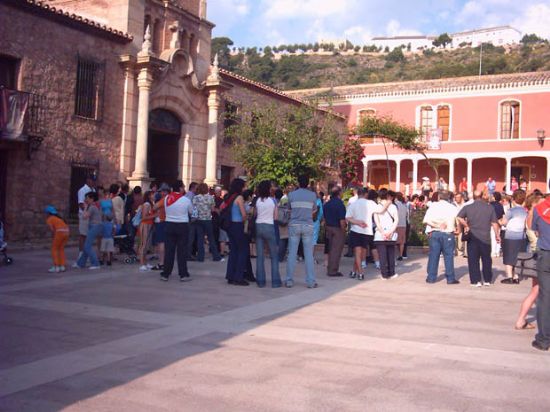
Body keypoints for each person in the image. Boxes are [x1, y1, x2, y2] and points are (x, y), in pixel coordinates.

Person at [457, 190, 500, 287]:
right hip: (485, 237)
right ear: (482, 196)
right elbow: (494, 223)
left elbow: (459, 217)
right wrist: (497, 235)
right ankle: (487, 279)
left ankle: (475, 280)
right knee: (486, 259)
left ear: (473, 197)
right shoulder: (489, 208)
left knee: (473, 259)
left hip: (472, 236)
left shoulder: (468, 207)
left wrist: (466, 224)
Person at [285, 175, 318, 288]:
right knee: (308, 254)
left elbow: (288, 209)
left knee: (292, 254)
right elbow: (315, 209)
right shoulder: (312, 195)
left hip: (294, 225)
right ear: (308, 183)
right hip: (308, 225)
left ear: (298, 183)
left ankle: (289, 280)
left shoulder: (291, 195)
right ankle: (310, 281)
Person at [423, 191, 460, 284]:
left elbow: (426, 221)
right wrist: (458, 229)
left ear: (439, 197)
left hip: (435, 232)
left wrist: (437, 225)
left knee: (433, 255)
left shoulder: (433, 207)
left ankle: (431, 277)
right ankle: (450, 278)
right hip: (448, 233)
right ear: (448, 198)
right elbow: (458, 219)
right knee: (448, 256)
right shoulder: (452, 207)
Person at [160, 181, 193, 282]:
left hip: (169, 224)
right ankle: (183, 274)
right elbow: (191, 212)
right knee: (182, 251)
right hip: (182, 225)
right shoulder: (186, 200)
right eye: (183, 187)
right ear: (180, 188)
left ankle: (165, 274)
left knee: (169, 251)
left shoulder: (166, 199)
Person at [253, 180, 282, 288]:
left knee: (260, 256)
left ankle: (260, 281)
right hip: (269, 226)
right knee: (274, 255)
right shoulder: (273, 201)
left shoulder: (257, 201)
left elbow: (255, 214)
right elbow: (276, 217)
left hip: (258, 226)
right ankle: (275, 281)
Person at [531, 193, 550, 351]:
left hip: (546, 254)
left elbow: (535, 231)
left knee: (545, 297)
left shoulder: (539, 208)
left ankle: (544, 340)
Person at [224, 178, 249, 286]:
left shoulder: (229, 197)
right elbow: (243, 214)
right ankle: (238, 277)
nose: (245, 188)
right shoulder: (239, 197)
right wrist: (246, 220)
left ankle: (230, 276)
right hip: (238, 225)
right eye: (244, 186)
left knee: (233, 251)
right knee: (242, 251)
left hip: (230, 226)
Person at [500, 190, 527, 284]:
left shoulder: (511, 211)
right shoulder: (525, 211)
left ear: (513, 199)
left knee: (508, 256)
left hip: (511, 236)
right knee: (518, 257)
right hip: (522, 236)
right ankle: (516, 276)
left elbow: (504, 222)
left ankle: (509, 276)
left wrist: (499, 221)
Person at [193, 183, 223, 262]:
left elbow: (194, 209)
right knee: (211, 238)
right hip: (208, 219)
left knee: (200, 239)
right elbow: (213, 209)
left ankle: (200, 257)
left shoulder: (196, 198)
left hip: (199, 219)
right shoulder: (210, 198)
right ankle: (216, 256)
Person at [373, 189, 399, 279]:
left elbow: (377, 222)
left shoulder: (376, 207)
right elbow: (396, 220)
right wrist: (390, 232)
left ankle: (384, 274)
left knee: (382, 255)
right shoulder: (393, 206)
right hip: (391, 234)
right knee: (391, 254)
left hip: (380, 235)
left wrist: (383, 232)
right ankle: (392, 273)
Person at [346, 187, 369, 280]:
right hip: (363, 230)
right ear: (365, 194)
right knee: (359, 253)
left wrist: (356, 222)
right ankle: (360, 272)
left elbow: (348, 217)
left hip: (357, 230)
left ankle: (353, 271)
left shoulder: (352, 203)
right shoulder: (369, 203)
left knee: (358, 254)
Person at [323, 186, 346, 277]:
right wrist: (344, 231)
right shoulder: (340, 204)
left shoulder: (327, 204)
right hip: (337, 228)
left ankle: (330, 268)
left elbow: (324, 218)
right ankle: (333, 270)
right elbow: (342, 220)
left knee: (330, 249)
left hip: (328, 227)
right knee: (336, 250)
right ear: (339, 193)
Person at [76, 191, 102, 270]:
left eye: (87, 198)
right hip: (94, 226)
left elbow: (85, 216)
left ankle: (95, 263)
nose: (85, 200)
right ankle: (81, 263)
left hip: (95, 226)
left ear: (92, 199)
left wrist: (84, 207)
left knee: (87, 245)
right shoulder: (92, 206)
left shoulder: (92, 207)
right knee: (86, 245)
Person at [150, 183, 170, 271]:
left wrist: (153, 200)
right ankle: (165, 262)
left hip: (161, 222)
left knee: (161, 243)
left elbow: (154, 207)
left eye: (162, 191)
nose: (161, 193)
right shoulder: (170, 199)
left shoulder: (163, 200)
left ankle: (161, 263)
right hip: (167, 221)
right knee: (165, 243)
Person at [45, 205, 69, 273]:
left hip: (59, 232)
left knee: (54, 249)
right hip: (66, 232)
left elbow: (52, 230)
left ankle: (56, 266)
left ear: (48, 213)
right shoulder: (60, 218)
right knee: (61, 249)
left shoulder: (50, 219)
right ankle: (62, 266)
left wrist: (53, 237)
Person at [77, 174, 95, 259]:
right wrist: (88, 211)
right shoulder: (83, 190)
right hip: (84, 215)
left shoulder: (93, 190)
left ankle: (86, 252)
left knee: (89, 235)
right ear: (88, 180)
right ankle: (81, 253)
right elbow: (81, 203)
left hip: (91, 216)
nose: (93, 182)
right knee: (83, 235)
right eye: (92, 180)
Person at [137, 191, 156, 271]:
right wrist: (155, 215)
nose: (154, 195)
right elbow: (144, 217)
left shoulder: (151, 204)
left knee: (146, 245)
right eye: (152, 194)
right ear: (149, 196)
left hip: (149, 225)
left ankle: (144, 262)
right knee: (143, 244)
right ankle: (142, 263)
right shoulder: (146, 204)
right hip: (145, 225)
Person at [490, 192, 505, 258]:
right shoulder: (500, 205)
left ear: (494, 197)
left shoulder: (490, 205)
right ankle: (497, 252)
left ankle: (493, 252)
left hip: (492, 223)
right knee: (498, 237)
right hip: (499, 223)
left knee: (493, 237)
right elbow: (502, 215)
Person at [395, 192, 408, 261]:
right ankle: (400, 255)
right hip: (403, 224)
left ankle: (396, 254)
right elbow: (407, 215)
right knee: (402, 241)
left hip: (396, 224)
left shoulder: (395, 204)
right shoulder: (404, 205)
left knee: (395, 240)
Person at [454, 192, 467, 257]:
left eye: (458, 197)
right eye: (456, 197)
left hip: (462, 222)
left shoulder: (465, 205)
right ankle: (455, 251)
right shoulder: (453, 205)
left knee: (461, 237)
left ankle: (460, 251)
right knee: (454, 237)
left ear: (461, 198)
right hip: (454, 223)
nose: (457, 199)